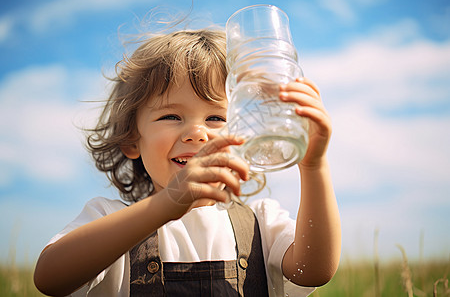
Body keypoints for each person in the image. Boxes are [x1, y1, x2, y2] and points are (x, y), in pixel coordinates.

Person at [33, 28, 341, 297]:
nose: (197, 133)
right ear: (131, 140)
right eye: (170, 116)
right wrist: (166, 204)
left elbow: (313, 270)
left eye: (216, 118)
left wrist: (314, 167)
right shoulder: (108, 219)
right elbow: (49, 278)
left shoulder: (262, 222)